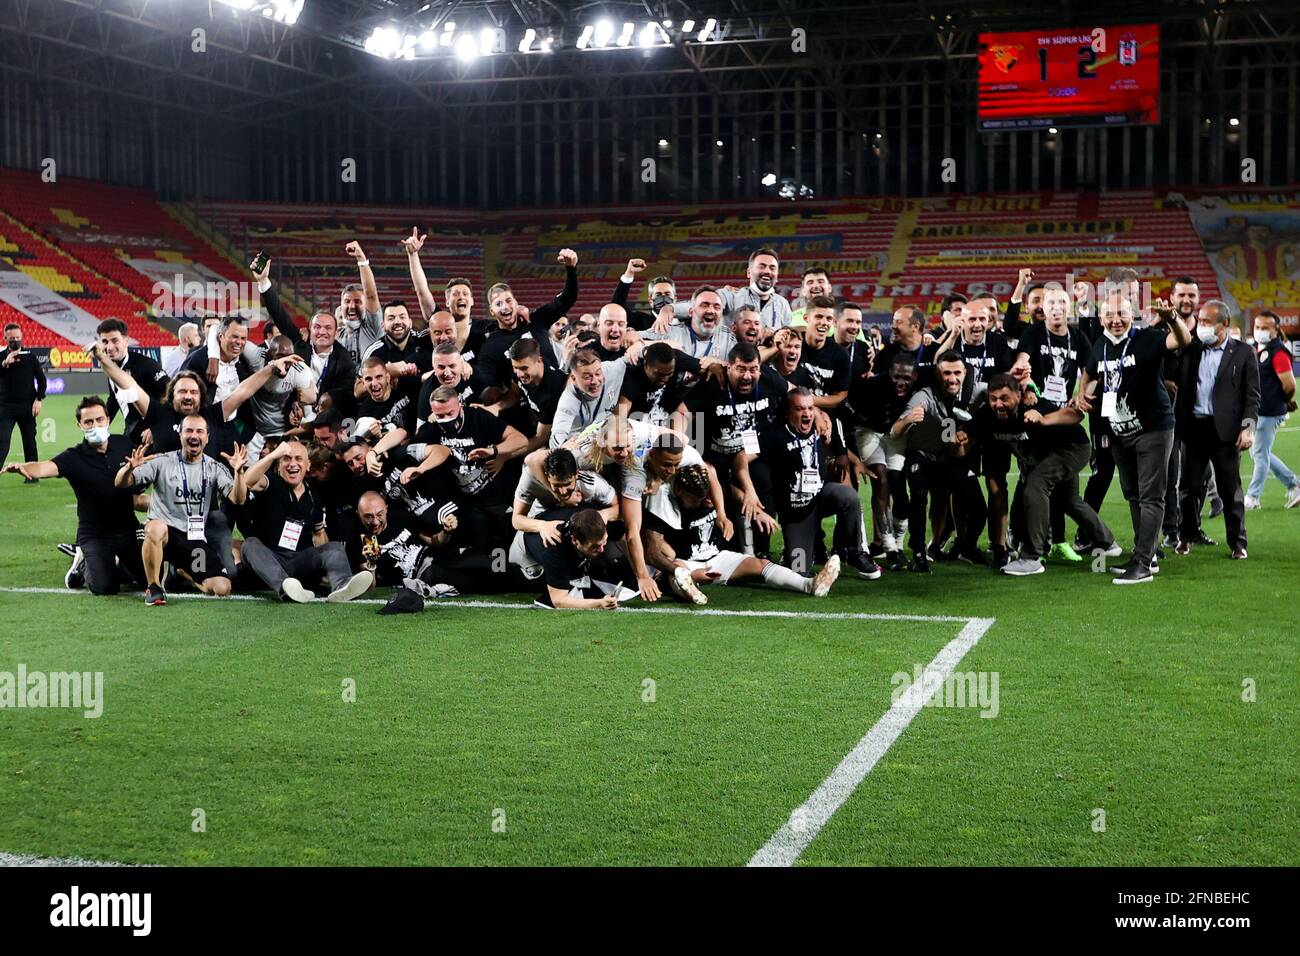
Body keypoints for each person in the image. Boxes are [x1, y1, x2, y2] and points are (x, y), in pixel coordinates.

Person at [1077, 296, 1193, 584]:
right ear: (1100, 318)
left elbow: (1183, 340)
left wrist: (1171, 318)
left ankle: (1142, 564)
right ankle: (1147, 555)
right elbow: (1090, 372)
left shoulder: (1148, 339)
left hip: (1153, 428)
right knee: (1132, 494)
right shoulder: (1101, 345)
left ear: (1133, 316)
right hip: (1120, 431)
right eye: (1109, 314)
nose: (1116, 319)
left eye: (1122, 313)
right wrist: (1082, 393)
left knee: (1151, 495)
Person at [966, 376, 1118, 576]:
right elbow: (965, 434)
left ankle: (1032, 558)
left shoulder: (1034, 405)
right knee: (1069, 501)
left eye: (1004, 398)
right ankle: (1107, 543)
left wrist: (1044, 419)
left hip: (1073, 448)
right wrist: (958, 437)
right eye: (993, 399)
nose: (998, 404)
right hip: (1050, 454)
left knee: (1035, 485)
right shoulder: (987, 414)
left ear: (1019, 396)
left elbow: (1077, 415)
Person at [2, 396, 146, 593]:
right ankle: (83, 564)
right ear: (79, 425)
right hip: (95, 534)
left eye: (99, 420)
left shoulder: (124, 444)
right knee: (105, 587)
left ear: (107, 419)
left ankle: (113, 563)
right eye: (88, 422)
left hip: (127, 529)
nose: (95, 425)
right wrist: (23, 467)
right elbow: (46, 467)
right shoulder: (74, 457)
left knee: (146, 579)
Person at [643, 462, 841, 604]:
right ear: (679, 491)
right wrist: (686, 570)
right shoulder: (663, 504)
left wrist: (759, 513)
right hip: (686, 561)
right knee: (676, 571)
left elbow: (736, 494)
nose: (704, 502)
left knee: (760, 564)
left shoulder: (712, 493)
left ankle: (809, 585)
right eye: (694, 500)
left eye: (707, 495)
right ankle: (691, 588)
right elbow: (652, 550)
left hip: (718, 557)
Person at [737, 388, 881, 579]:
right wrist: (749, 490)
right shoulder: (773, 434)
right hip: (796, 514)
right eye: (799, 409)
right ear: (789, 412)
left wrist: (846, 456)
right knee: (799, 574)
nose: (806, 413)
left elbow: (838, 438)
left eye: (809, 408)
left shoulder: (820, 424)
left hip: (821, 497)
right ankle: (790, 558)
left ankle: (855, 553)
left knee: (848, 495)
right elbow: (741, 457)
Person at [114, 415, 249, 604]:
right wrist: (129, 468)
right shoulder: (162, 461)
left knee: (222, 588)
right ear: (180, 435)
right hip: (162, 536)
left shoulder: (214, 468)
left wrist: (239, 472)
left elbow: (239, 498)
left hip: (192, 538)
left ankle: (182, 571)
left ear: (207, 437)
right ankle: (154, 588)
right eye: (189, 430)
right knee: (155, 528)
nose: (194, 435)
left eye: (199, 431)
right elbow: (121, 483)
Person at [1172, 300, 1259, 559]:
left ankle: (1237, 543)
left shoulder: (1244, 353)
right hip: (1194, 428)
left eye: (1208, 322)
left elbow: (1252, 396)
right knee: (1189, 488)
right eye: (1200, 321)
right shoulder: (1190, 349)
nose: (1202, 326)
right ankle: (1186, 536)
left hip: (1227, 432)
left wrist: (1248, 428)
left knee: (1230, 490)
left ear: (1225, 325)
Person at [235, 440, 373, 602]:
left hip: (300, 560)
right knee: (249, 544)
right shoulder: (271, 482)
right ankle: (285, 588)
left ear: (308, 465)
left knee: (334, 547)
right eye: (286, 459)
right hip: (271, 558)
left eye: (298, 459)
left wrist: (327, 564)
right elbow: (248, 480)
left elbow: (318, 535)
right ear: (278, 465)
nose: (292, 464)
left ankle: (342, 586)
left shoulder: (314, 495)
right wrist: (273, 455)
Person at [892, 351, 987, 572]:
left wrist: (1030, 388)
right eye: (946, 373)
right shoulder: (924, 396)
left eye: (957, 373)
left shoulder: (978, 390)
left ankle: (967, 547)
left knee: (979, 508)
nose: (952, 378)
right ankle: (918, 553)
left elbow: (1006, 388)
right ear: (937, 373)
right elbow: (895, 431)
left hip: (951, 459)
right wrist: (908, 419)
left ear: (965, 373)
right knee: (918, 496)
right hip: (923, 456)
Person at [476, 248, 580, 387]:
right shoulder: (491, 347)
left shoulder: (536, 320)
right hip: (527, 407)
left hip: (560, 394)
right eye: (498, 303)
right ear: (492, 311)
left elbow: (568, 298)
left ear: (516, 302)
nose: (505, 307)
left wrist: (571, 269)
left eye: (508, 300)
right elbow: (485, 382)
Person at [525, 507, 634, 610]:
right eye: (594, 546)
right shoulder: (556, 551)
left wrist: (642, 575)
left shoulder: (596, 521)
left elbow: (627, 530)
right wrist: (599, 603)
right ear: (575, 541)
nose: (601, 550)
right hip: (526, 556)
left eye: (604, 542)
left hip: (555, 519)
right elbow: (558, 601)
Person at [1245, 309, 1300, 509]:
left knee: (1260, 454)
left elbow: (1290, 384)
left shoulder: (1278, 353)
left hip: (1268, 412)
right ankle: (1294, 484)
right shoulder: (1262, 350)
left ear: (1276, 330)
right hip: (1254, 410)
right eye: (1257, 327)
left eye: (1265, 328)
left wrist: (1282, 402)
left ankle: (1252, 497)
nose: (1260, 331)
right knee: (1258, 453)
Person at [672, 248, 792, 330]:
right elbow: (699, 306)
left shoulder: (783, 304)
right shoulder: (731, 295)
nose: (767, 271)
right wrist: (670, 309)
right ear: (749, 272)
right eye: (762, 266)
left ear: (777, 274)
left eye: (772, 268)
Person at [95, 318, 169, 437]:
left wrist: (158, 427)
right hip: (130, 433)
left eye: (115, 341)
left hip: (150, 436)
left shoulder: (147, 365)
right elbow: (114, 399)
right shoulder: (110, 368)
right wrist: (99, 426)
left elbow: (170, 394)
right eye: (104, 341)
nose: (109, 347)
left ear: (126, 341)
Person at [549, 348, 628, 446]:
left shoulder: (610, 369)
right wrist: (564, 446)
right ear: (573, 378)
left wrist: (639, 346)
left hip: (605, 437)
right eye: (587, 377)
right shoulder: (568, 401)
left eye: (598, 373)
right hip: (579, 446)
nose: (595, 381)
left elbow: (633, 356)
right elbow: (556, 437)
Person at [0, 323, 45, 474]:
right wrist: (5, 363)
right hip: (6, 407)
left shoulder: (30, 357)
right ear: (5, 338)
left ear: (22, 337)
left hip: (27, 407)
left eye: (18, 338)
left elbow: (42, 380)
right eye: (12, 338)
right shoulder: (1, 356)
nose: (15, 341)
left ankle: (33, 475)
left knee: (30, 443)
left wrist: (39, 399)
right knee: (2, 441)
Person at [336, 241, 384, 366]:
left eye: (357, 302)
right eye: (347, 302)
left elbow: (371, 295)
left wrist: (361, 259)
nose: (351, 306)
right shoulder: (336, 337)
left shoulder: (372, 328)